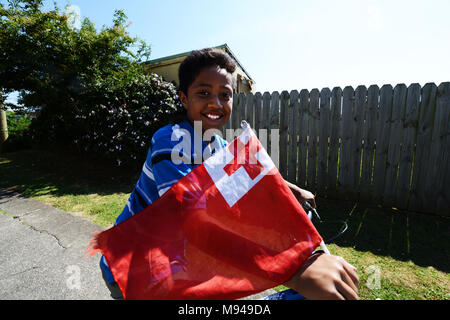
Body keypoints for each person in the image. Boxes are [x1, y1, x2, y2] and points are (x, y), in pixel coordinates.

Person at [100, 47, 359, 300]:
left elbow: (257, 174)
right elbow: (190, 220)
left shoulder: (218, 145)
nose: (216, 102)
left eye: (225, 95)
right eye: (204, 92)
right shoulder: (170, 140)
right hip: (134, 266)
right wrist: (293, 272)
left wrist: (294, 191)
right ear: (183, 98)